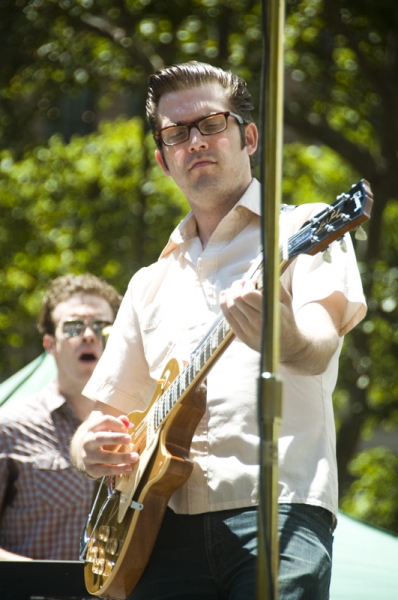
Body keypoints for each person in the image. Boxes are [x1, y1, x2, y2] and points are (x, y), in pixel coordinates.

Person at [70, 62, 367, 599]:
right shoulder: (147, 283)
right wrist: (86, 447)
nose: (195, 142)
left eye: (210, 124)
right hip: (158, 527)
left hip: (277, 509)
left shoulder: (301, 229)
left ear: (248, 137)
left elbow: (318, 349)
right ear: (163, 160)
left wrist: (282, 338)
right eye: (176, 133)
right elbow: (107, 420)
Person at [0, 273, 122, 561]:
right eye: (73, 326)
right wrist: (42, 580)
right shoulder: (10, 428)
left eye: (102, 326)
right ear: (49, 344)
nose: (89, 335)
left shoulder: (140, 426)